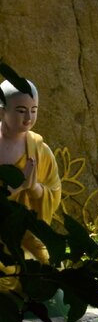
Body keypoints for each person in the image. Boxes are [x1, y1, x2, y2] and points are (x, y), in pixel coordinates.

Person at [0, 78, 61, 264]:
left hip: (25, 235)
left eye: (33, 111)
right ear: (2, 111)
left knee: (46, 266)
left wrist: (34, 188)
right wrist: (15, 189)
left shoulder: (40, 151)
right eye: (21, 111)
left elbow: (54, 193)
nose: (28, 118)